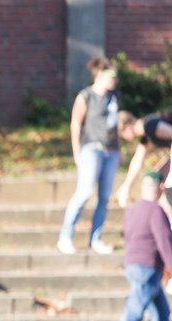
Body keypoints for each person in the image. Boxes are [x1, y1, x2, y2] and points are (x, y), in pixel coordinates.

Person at [58, 57, 121, 255]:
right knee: (84, 192)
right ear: (100, 75)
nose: (114, 80)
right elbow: (76, 123)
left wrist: (119, 150)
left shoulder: (114, 97)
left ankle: (96, 238)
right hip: (91, 149)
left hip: (110, 151)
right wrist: (77, 151)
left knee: (104, 197)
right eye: (111, 75)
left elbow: (115, 126)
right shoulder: (85, 96)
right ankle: (65, 236)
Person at [108, 173, 172, 321]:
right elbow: (164, 242)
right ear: (159, 188)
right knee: (134, 311)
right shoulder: (155, 211)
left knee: (161, 312)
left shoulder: (132, 210)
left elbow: (127, 238)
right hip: (148, 267)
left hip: (133, 264)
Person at [116, 111, 172, 210]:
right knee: (162, 194)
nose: (124, 139)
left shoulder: (150, 125)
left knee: (167, 190)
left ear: (126, 127)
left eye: (122, 136)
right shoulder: (146, 135)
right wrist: (126, 186)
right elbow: (137, 160)